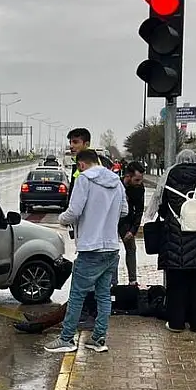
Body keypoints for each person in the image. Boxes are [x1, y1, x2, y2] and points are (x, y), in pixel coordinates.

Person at [44, 149, 128, 354]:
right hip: (111, 248)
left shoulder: (84, 180)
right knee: (103, 295)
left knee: (77, 295)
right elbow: (124, 211)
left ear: (81, 164)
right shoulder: (116, 181)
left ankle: (66, 339)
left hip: (91, 248)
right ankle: (98, 339)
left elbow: (74, 211)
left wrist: (61, 219)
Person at [156, 149, 196, 332]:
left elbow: (162, 208)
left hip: (175, 237)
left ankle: (176, 322)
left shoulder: (169, 176)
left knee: (176, 282)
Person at [118, 162, 146, 286]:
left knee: (131, 249)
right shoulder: (116, 185)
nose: (139, 182)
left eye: (141, 180)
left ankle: (132, 280)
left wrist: (133, 230)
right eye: (137, 180)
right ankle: (112, 282)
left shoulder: (140, 188)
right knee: (111, 252)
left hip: (127, 222)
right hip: (112, 220)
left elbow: (139, 211)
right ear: (128, 176)